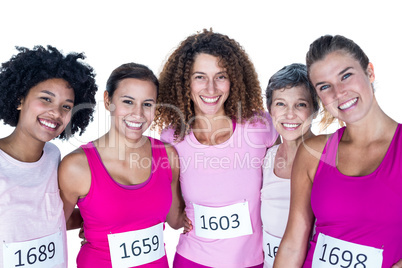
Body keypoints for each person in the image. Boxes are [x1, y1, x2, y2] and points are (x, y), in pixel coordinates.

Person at [273, 35, 402, 268]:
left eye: (346, 76)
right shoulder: (313, 152)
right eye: (325, 86)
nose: (339, 92)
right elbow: (293, 244)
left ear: (370, 72)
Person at [155, 29, 279, 268]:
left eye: (220, 76)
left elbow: (283, 188)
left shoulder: (259, 126)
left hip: (252, 262)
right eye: (200, 77)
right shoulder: (171, 137)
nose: (211, 89)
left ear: (234, 80)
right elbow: (173, 216)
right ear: (185, 82)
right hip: (192, 259)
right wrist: (179, 219)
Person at [58, 62, 185, 267]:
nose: (138, 114)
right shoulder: (77, 166)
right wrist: (89, 221)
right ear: (108, 101)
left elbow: (175, 221)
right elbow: (52, 224)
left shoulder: (167, 156)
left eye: (147, 104)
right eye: (128, 101)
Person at [0, 45, 97, 268]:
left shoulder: (53, 156)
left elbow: (50, 218)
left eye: (66, 106)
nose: (56, 112)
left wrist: (94, 220)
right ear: (19, 99)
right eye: (46, 99)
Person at [261, 63, 319, 268]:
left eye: (301, 104)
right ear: (269, 110)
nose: (290, 114)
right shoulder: (267, 158)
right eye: (281, 104)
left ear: (315, 109)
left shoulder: (327, 157)